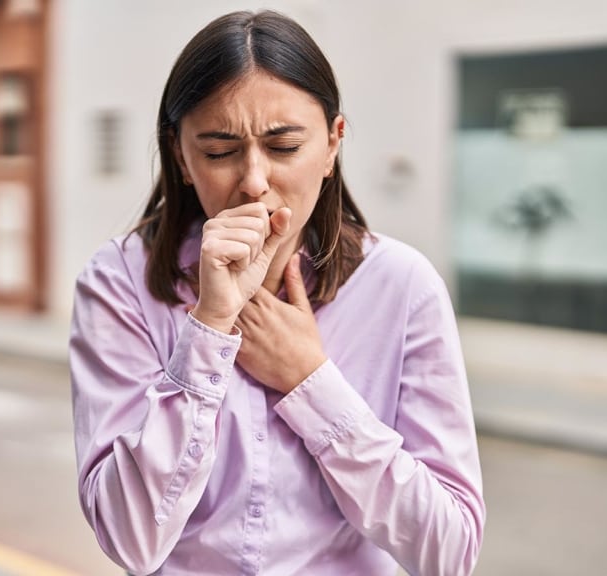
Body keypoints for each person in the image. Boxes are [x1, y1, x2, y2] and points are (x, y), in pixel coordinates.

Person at [70, 9, 484, 576]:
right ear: (181, 156)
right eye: (219, 152)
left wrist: (309, 381)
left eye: (285, 147)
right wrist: (209, 327)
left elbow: (450, 551)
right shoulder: (119, 283)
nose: (254, 181)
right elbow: (129, 538)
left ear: (334, 143)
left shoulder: (402, 286)